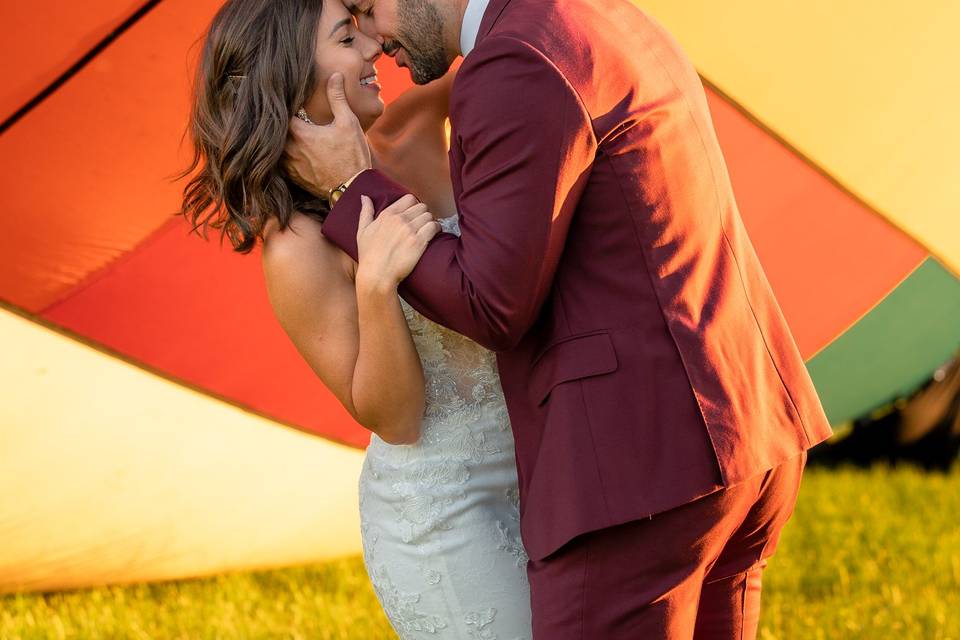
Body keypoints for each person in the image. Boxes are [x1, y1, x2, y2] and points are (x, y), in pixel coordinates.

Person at [284, 0, 836, 637]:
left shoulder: (513, 58)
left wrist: (353, 188)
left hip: (636, 467)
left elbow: (490, 304)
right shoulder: (596, 14)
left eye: (368, 9)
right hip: (742, 423)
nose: (375, 38)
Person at [179, 0, 533, 637]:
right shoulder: (295, 249)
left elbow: (516, 41)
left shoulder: (411, 125)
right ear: (290, 76)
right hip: (441, 516)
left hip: (538, 475)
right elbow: (394, 418)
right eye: (349, 35)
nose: (374, 48)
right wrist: (375, 285)